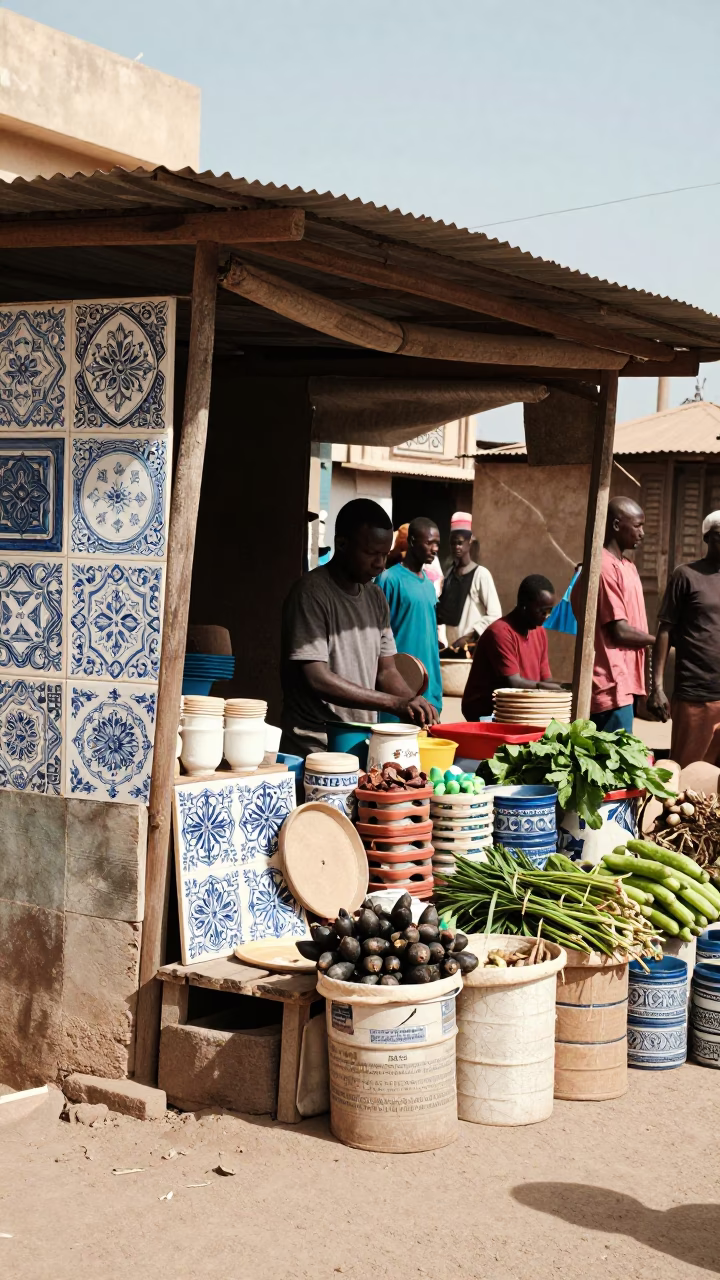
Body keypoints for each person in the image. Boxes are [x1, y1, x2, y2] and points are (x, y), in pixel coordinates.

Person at [280, 498, 439, 758]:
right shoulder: (311, 594)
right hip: (315, 745)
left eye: (385, 555)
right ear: (342, 544)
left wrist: (413, 704)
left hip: (362, 741)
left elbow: (386, 671)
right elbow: (317, 678)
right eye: (371, 554)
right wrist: (395, 703)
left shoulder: (376, 597)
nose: (380, 564)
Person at [571, 497, 655, 732]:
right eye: (637, 525)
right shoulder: (603, 567)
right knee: (611, 760)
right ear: (617, 525)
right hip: (609, 681)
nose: (642, 533)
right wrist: (660, 640)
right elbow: (618, 630)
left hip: (625, 681)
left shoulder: (627, 566)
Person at [647, 511, 720, 766]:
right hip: (695, 694)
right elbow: (664, 630)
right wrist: (656, 687)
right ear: (708, 538)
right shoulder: (686, 575)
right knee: (689, 774)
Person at [462, 574, 561, 720]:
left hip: (521, 709)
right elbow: (514, 683)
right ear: (523, 606)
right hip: (488, 713)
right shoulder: (500, 633)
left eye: (550, 611)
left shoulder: (540, 632)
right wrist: (549, 689)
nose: (547, 616)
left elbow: (546, 679)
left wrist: (564, 689)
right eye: (543, 611)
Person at [376, 516, 444, 716]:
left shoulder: (429, 586)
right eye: (429, 542)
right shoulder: (389, 580)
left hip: (429, 689)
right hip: (399, 688)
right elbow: (375, 636)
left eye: (437, 544)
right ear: (413, 542)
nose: (435, 549)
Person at [437, 512, 502, 649]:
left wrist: (468, 637)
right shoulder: (449, 575)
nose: (456, 547)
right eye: (453, 543)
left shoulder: (481, 574)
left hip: (473, 649)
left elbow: (495, 615)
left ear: (469, 542)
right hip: (451, 648)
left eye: (460, 543)